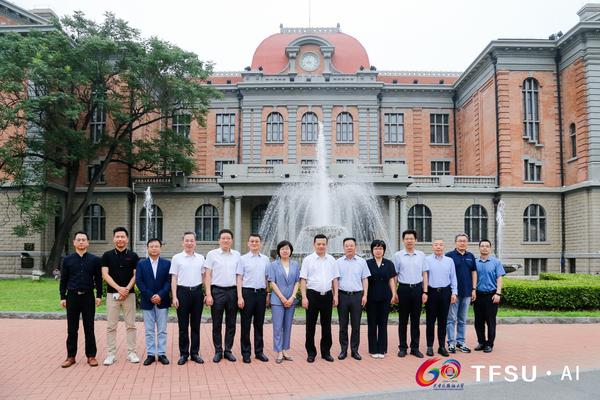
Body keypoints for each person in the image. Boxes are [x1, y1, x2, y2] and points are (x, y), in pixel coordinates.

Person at [59, 231, 102, 368]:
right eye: (78, 240)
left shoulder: (95, 260)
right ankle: (70, 356)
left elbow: (98, 279)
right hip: (72, 296)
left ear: (88, 242)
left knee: (89, 327)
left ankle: (91, 356)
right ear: (74, 242)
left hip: (88, 297)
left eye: (84, 240)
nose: (81, 242)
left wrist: (99, 295)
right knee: (72, 328)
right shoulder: (67, 260)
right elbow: (63, 279)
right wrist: (62, 297)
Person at [101, 227, 140, 365]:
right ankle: (111, 354)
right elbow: (105, 274)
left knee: (131, 325)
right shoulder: (107, 255)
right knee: (111, 326)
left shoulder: (133, 256)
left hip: (129, 295)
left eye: (123, 237)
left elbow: (136, 274)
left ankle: (132, 353)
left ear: (127, 239)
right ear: (113, 239)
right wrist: (119, 288)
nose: (120, 239)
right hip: (112, 294)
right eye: (117, 237)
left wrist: (127, 289)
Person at [300, 233, 339, 363]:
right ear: (314, 244)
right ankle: (311, 353)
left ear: (327, 245)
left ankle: (326, 352)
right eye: (319, 244)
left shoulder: (331, 259)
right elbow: (303, 279)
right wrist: (304, 297)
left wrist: (335, 295)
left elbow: (335, 279)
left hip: (327, 296)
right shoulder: (308, 260)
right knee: (310, 326)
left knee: (326, 326)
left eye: (323, 244)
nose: (321, 246)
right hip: (312, 295)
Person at [205, 228, 241, 363]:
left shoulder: (237, 255)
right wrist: (208, 294)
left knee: (231, 323)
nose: (226, 240)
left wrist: (239, 295)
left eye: (228, 238)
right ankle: (218, 351)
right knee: (217, 323)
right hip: (217, 291)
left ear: (232, 240)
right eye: (223, 238)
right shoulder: (212, 254)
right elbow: (208, 275)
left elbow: (239, 276)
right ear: (219, 240)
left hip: (232, 291)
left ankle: (228, 350)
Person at [170, 231, 206, 365]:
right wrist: (174, 296)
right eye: (187, 240)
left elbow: (204, 277)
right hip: (182, 293)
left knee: (196, 325)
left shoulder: (201, 258)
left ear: (195, 243)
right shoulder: (176, 258)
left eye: (192, 240)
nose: (189, 243)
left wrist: (205, 293)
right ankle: (184, 354)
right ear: (183, 242)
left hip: (197, 293)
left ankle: (195, 353)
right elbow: (174, 278)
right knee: (183, 326)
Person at [393, 229, 428, 358]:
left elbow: (425, 274)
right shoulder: (398, 255)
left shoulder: (421, 255)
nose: (409, 241)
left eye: (411, 238)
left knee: (415, 320)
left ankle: (415, 348)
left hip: (417, 289)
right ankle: (402, 347)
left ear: (415, 240)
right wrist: (394, 292)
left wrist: (425, 291)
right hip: (403, 289)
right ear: (403, 240)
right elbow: (395, 275)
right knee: (403, 320)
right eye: (407, 239)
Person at [136, 238, 171, 366]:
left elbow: (168, 282)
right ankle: (150, 354)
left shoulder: (167, 263)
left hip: (162, 301)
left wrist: (160, 295)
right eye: (151, 246)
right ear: (148, 248)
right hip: (147, 301)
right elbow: (139, 281)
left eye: (156, 246)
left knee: (162, 330)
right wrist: (150, 296)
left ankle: (161, 353)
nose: (154, 248)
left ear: (160, 248)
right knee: (149, 330)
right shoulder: (141, 264)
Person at [236, 233, 270, 363]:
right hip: (247, 294)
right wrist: (240, 297)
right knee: (245, 325)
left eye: (257, 241)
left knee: (259, 324)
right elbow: (239, 278)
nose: (254, 243)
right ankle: (246, 353)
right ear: (248, 243)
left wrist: (267, 294)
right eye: (252, 241)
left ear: (260, 243)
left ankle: (259, 352)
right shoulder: (242, 259)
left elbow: (267, 278)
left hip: (261, 294)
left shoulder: (265, 259)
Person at [336, 237, 370, 361]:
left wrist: (365, 295)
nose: (349, 248)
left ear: (355, 247)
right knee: (343, 325)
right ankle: (343, 350)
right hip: (342, 296)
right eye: (347, 246)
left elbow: (365, 279)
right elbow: (335, 280)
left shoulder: (362, 262)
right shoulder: (338, 262)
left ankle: (355, 351)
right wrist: (335, 296)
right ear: (343, 247)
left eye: (351, 245)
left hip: (357, 296)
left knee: (356, 325)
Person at [267, 240, 300, 364]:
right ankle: (279, 351)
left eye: (287, 248)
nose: (285, 251)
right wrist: (282, 297)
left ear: (291, 251)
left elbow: (297, 282)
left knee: (287, 326)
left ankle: (285, 350)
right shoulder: (273, 265)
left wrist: (292, 297)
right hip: (277, 300)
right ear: (279, 251)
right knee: (277, 327)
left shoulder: (295, 264)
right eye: (282, 249)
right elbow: (272, 282)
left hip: (291, 300)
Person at [424, 239, 457, 357]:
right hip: (431, 292)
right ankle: (429, 347)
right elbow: (424, 277)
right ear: (432, 247)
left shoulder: (449, 261)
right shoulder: (427, 260)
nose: (438, 247)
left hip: (445, 292)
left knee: (443, 321)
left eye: (441, 245)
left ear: (444, 247)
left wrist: (454, 293)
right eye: (436, 245)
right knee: (430, 321)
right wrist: (424, 292)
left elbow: (453, 277)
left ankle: (442, 346)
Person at [445, 233, 477, 354]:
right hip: (454, 293)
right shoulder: (449, 256)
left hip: (467, 292)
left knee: (462, 319)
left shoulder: (470, 256)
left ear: (467, 243)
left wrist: (474, 289)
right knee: (451, 319)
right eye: (460, 241)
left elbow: (474, 272)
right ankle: (451, 343)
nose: (462, 243)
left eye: (464, 241)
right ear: (456, 242)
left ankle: (461, 342)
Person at [365, 239, 397, 359]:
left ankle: (382, 349)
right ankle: (373, 349)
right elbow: (365, 280)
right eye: (375, 248)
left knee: (383, 323)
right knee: (372, 323)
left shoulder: (389, 263)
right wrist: (364, 295)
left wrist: (394, 294)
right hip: (371, 297)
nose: (378, 251)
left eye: (380, 248)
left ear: (384, 250)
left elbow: (391, 280)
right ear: (372, 250)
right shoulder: (367, 263)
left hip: (385, 297)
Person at [473, 239, 506, 353]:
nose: (484, 248)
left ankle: (489, 344)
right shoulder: (475, 262)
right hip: (478, 295)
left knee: (490, 321)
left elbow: (499, 278)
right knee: (478, 321)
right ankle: (481, 342)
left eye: (487, 246)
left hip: (491, 296)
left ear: (490, 248)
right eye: (482, 246)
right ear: (479, 248)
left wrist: (498, 293)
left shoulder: (496, 262)